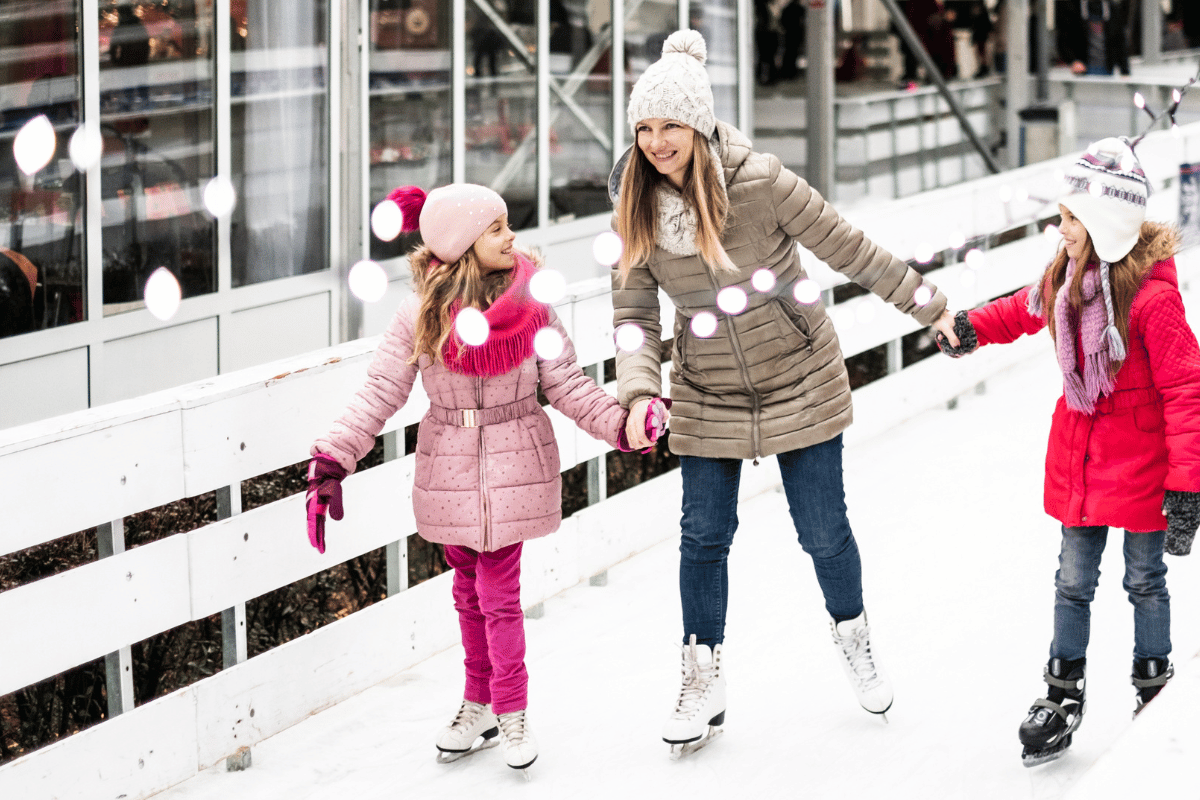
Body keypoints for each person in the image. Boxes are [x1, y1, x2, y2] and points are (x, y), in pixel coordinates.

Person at [608, 29, 961, 754]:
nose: (656, 142)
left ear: (700, 125)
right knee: (702, 537)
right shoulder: (634, 205)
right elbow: (634, 315)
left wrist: (931, 307)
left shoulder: (761, 184)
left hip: (799, 372)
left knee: (822, 531)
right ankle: (702, 677)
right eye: (644, 128)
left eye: (670, 125)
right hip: (707, 386)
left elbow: (851, 248)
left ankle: (855, 638)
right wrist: (640, 393)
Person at [307, 183, 644, 772]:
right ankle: (478, 702)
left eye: (507, 224)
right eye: (496, 228)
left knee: (498, 596)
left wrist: (620, 425)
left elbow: (567, 383)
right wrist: (333, 460)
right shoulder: (420, 314)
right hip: (449, 469)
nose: (511, 237)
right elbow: (380, 391)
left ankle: (511, 709)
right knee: (468, 595)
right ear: (462, 244)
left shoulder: (533, 306)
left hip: (515, 462)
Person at [936, 138, 1200, 767]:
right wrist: (972, 327)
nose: (1062, 229)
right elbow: (1021, 310)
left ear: (1106, 222)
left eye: (1072, 218)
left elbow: (1187, 391)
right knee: (1072, 582)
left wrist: (1187, 486)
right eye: (1061, 216)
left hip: (1143, 468)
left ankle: (1153, 688)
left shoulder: (1154, 299)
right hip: (1081, 459)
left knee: (1145, 581)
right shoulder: (1066, 279)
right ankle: (1061, 694)